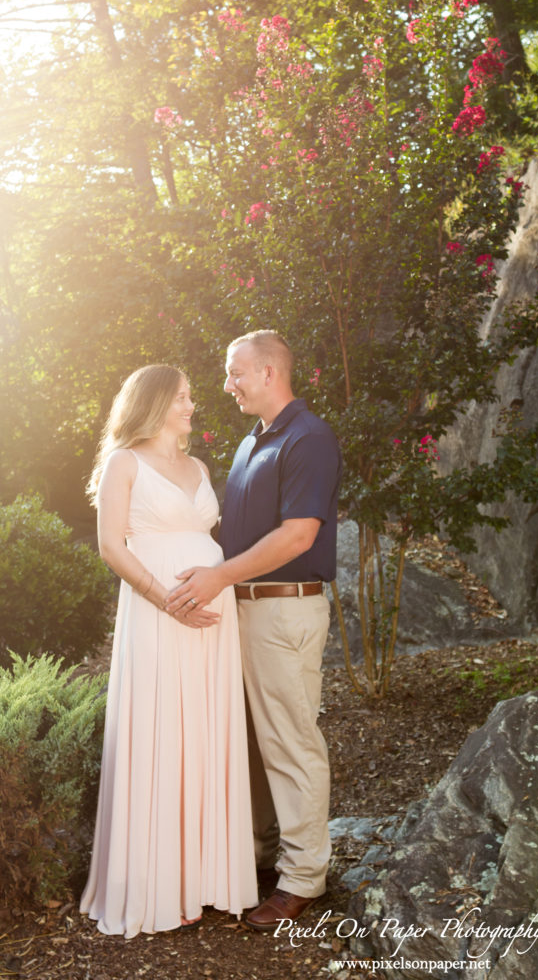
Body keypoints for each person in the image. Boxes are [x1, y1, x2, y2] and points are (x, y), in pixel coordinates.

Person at [165, 330, 342, 931]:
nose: (226, 384)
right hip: (241, 609)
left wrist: (218, 577)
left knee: (290, 741)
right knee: (248, 740)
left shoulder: (309, 438)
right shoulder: (249, 445)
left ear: (269, 373)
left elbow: (298, 535)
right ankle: (264, 856)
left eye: (235, 372)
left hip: (285, 608)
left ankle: (302, 879)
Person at [80, 365, 258, 939]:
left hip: (212, 617)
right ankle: (157, 885)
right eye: (183, 396)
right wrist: (166, 600)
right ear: (155, 404)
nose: (191, 404)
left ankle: (203, 880)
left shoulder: (200, 466)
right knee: (161, 732)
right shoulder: (123, 463)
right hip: (158, 615)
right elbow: (111, 546)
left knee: (205, 733)